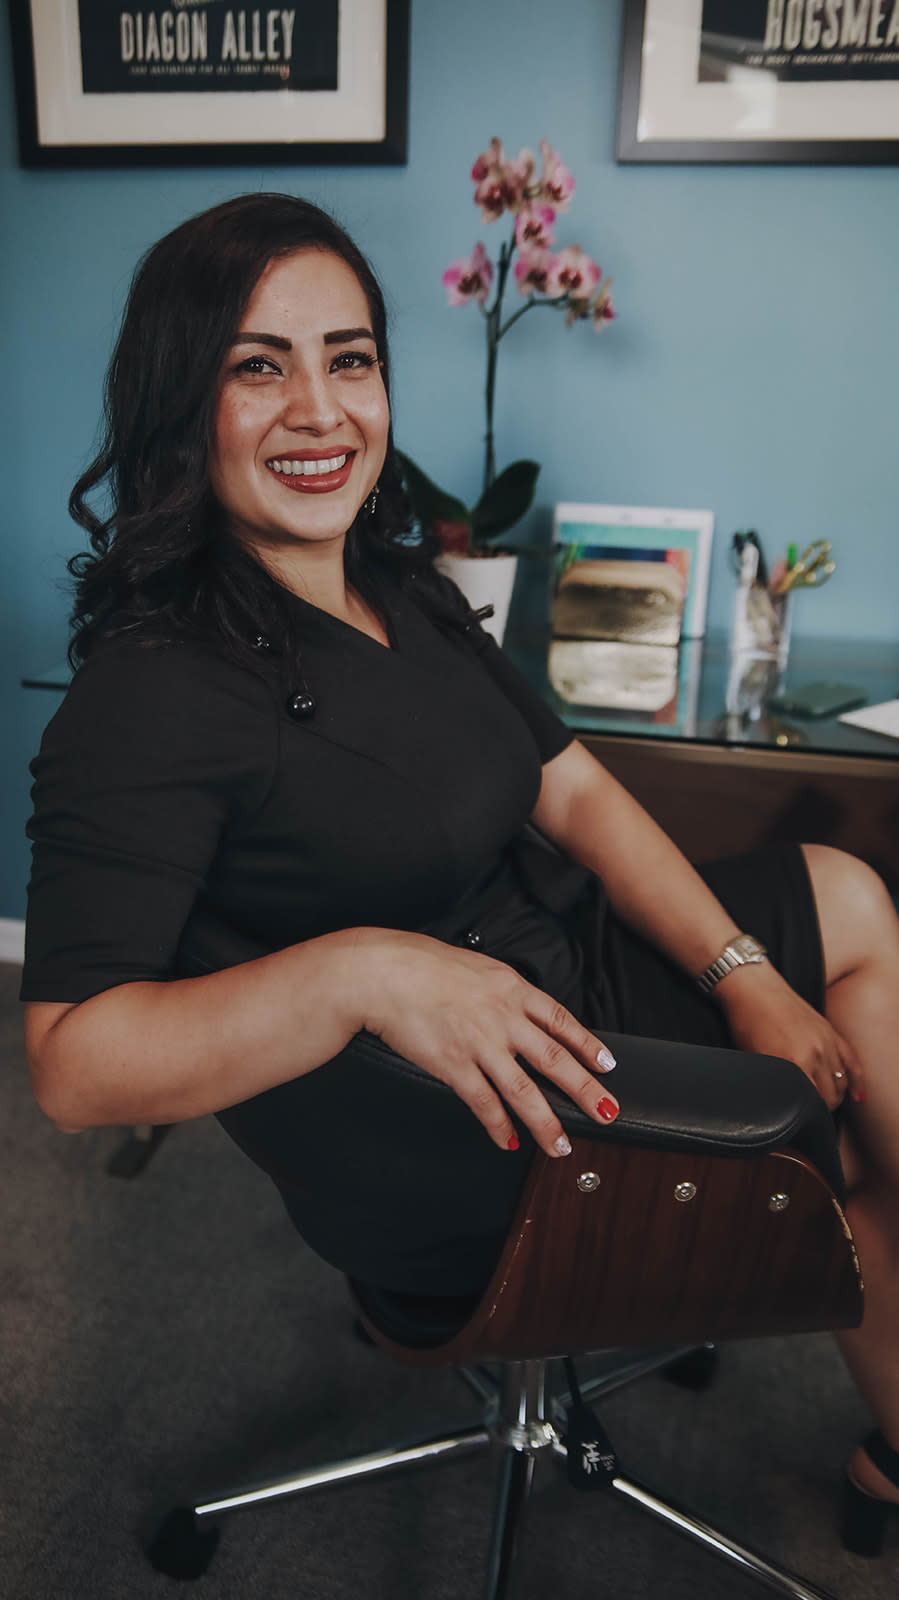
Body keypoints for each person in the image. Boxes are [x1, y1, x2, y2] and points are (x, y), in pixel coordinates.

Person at [20, 194, 899, 1551]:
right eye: (260, 366)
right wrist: (364, 972)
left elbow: (576, 783)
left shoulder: (401, 580)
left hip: (549, 969)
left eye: (350, 357)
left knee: (844, 906)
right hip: (471, 1120)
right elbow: (76, 1067)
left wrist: (747, 979)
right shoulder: (155, 690)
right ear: (179, 398)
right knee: (849, 1122)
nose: (321, 410)